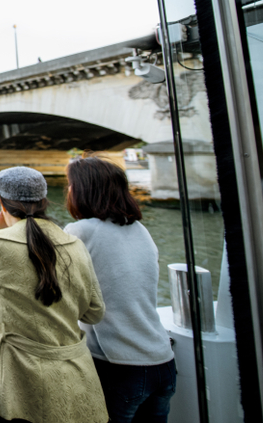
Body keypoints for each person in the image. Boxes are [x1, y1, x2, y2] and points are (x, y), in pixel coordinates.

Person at [0, 166, 107, 423]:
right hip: (77, 377)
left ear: (0, 204)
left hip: (20, 383)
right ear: (43, 201)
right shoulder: (74, 243)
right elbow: (94, 312)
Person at [64, 157, 176, 423]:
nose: (68, 192)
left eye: (70, 186)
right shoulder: (140, 230)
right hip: (163, 362)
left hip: (119, 366)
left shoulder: (81, 230)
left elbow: (54, 281)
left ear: (84, 190)